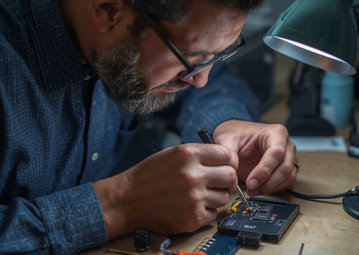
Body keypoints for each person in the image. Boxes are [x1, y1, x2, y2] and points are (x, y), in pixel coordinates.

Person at [0, 0, 299, 253]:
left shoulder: (141, 38)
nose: (200, 78)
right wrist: (119, 204)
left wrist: (226, 125)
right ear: (108, 10)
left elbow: (213, 85)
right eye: (194, 59)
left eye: (219, 54)